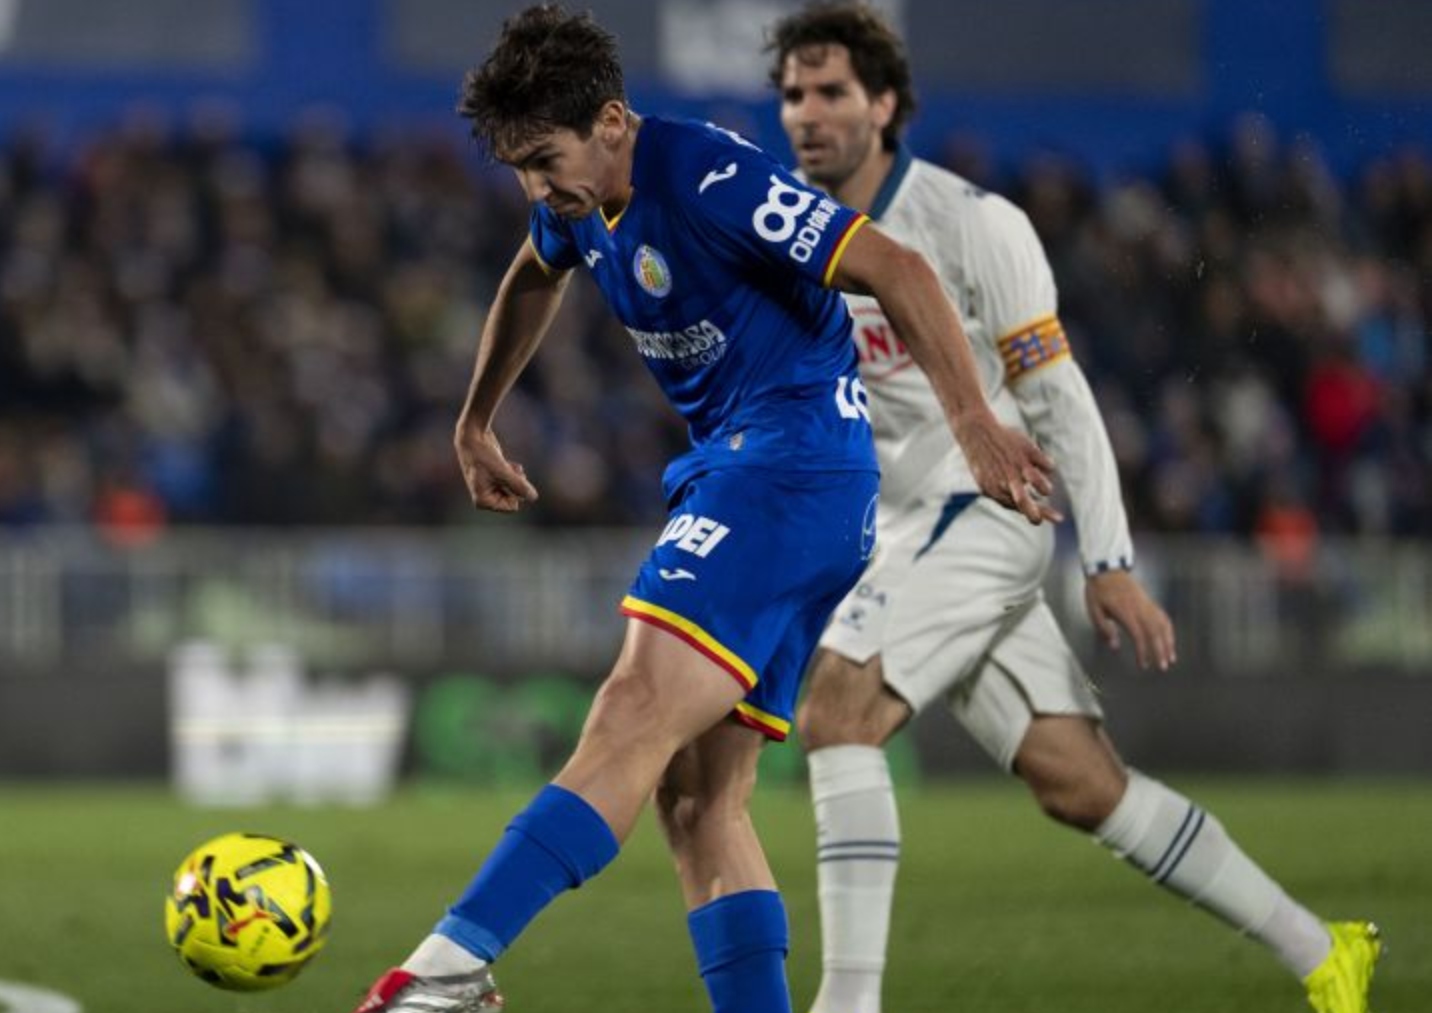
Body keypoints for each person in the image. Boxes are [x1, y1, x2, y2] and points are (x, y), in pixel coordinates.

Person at [351, 5, 1060, 1012]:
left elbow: (895, 267)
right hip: (770, 476)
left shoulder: (710, 181)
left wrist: (976, 423)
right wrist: (475, 420)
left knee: (630, 708)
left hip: (790, 468)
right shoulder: (575, 197)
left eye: (544, 159)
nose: (535, 188)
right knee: (699, 798)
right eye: (517, 168)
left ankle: (448, 966)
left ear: (609, 121)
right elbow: (531, 274)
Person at [764, 6, 1382, 1013]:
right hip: (896, 537)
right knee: (1079, 780)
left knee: (839, 707)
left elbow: (1059, 396)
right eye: (793, 93)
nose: (807, 113)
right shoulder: (787, 233)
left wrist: (1110, 557)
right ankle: (1323, 948)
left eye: (831, 91)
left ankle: (847, 1001)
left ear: (884, 104)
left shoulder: (973, 223)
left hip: (986, 509)